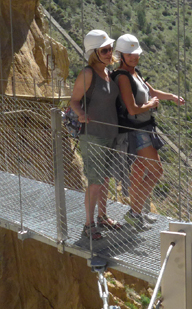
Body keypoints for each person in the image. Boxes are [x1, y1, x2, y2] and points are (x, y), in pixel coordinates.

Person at [113, 33, 185, 229]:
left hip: (143, 128)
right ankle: (135, 212)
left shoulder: (134, 73)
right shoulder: (123, 77)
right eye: (129, 54)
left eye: (135, 54)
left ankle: (137, 212)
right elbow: (132, 109)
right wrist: (151, 105)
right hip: (137, 131)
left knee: (138, 172)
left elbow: (151, 92)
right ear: (121, 55)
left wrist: (172, 97)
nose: (134, 57)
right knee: (156, 171)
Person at [69, 30, 122, 241]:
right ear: (94, 53)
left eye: (110, 49)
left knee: (104, 179)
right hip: (92, 135)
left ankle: (102, 217)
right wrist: (81, 114)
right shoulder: (88, 73)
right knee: (95, 182)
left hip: (109, 134)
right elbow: (74, 100)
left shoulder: (109, 73)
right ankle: (88, 224)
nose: (110, 53)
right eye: (104, 50)